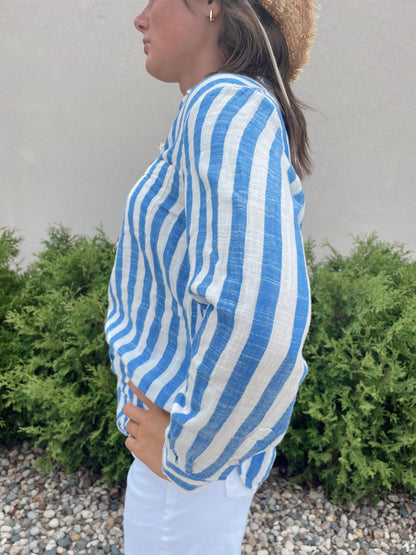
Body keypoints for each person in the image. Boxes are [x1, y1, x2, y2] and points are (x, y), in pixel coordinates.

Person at [105, 0, 318, 553]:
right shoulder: (227, 109)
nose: (140, 18)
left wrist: (188, 450)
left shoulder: (225, 104)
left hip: (185, 480)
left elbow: (262, 319)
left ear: (210, 5)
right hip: (188, 472)